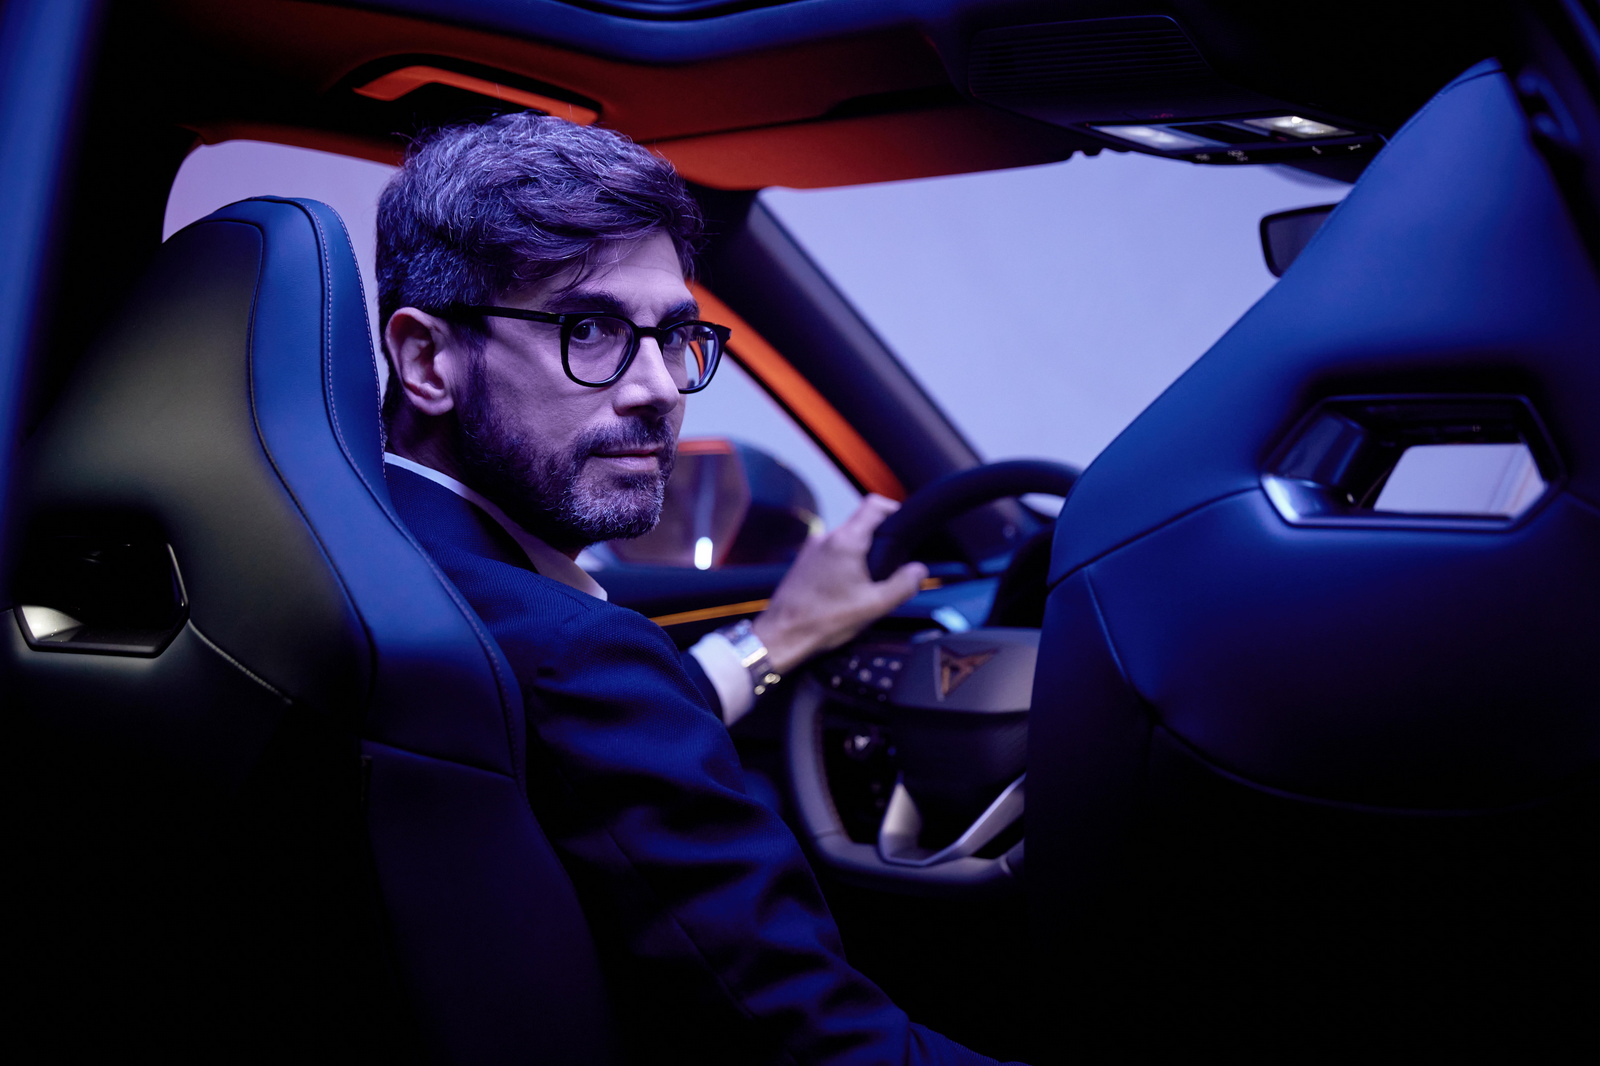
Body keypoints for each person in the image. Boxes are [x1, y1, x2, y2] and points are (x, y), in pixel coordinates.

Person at [376, 111, 1021, 1065]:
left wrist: (780, 637)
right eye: (590, 328)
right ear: (428, 359)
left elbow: (577, 752)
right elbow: (817, 1046)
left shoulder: (365, 549)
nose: (660, 389)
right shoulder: (564, 651)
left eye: (674, 335)